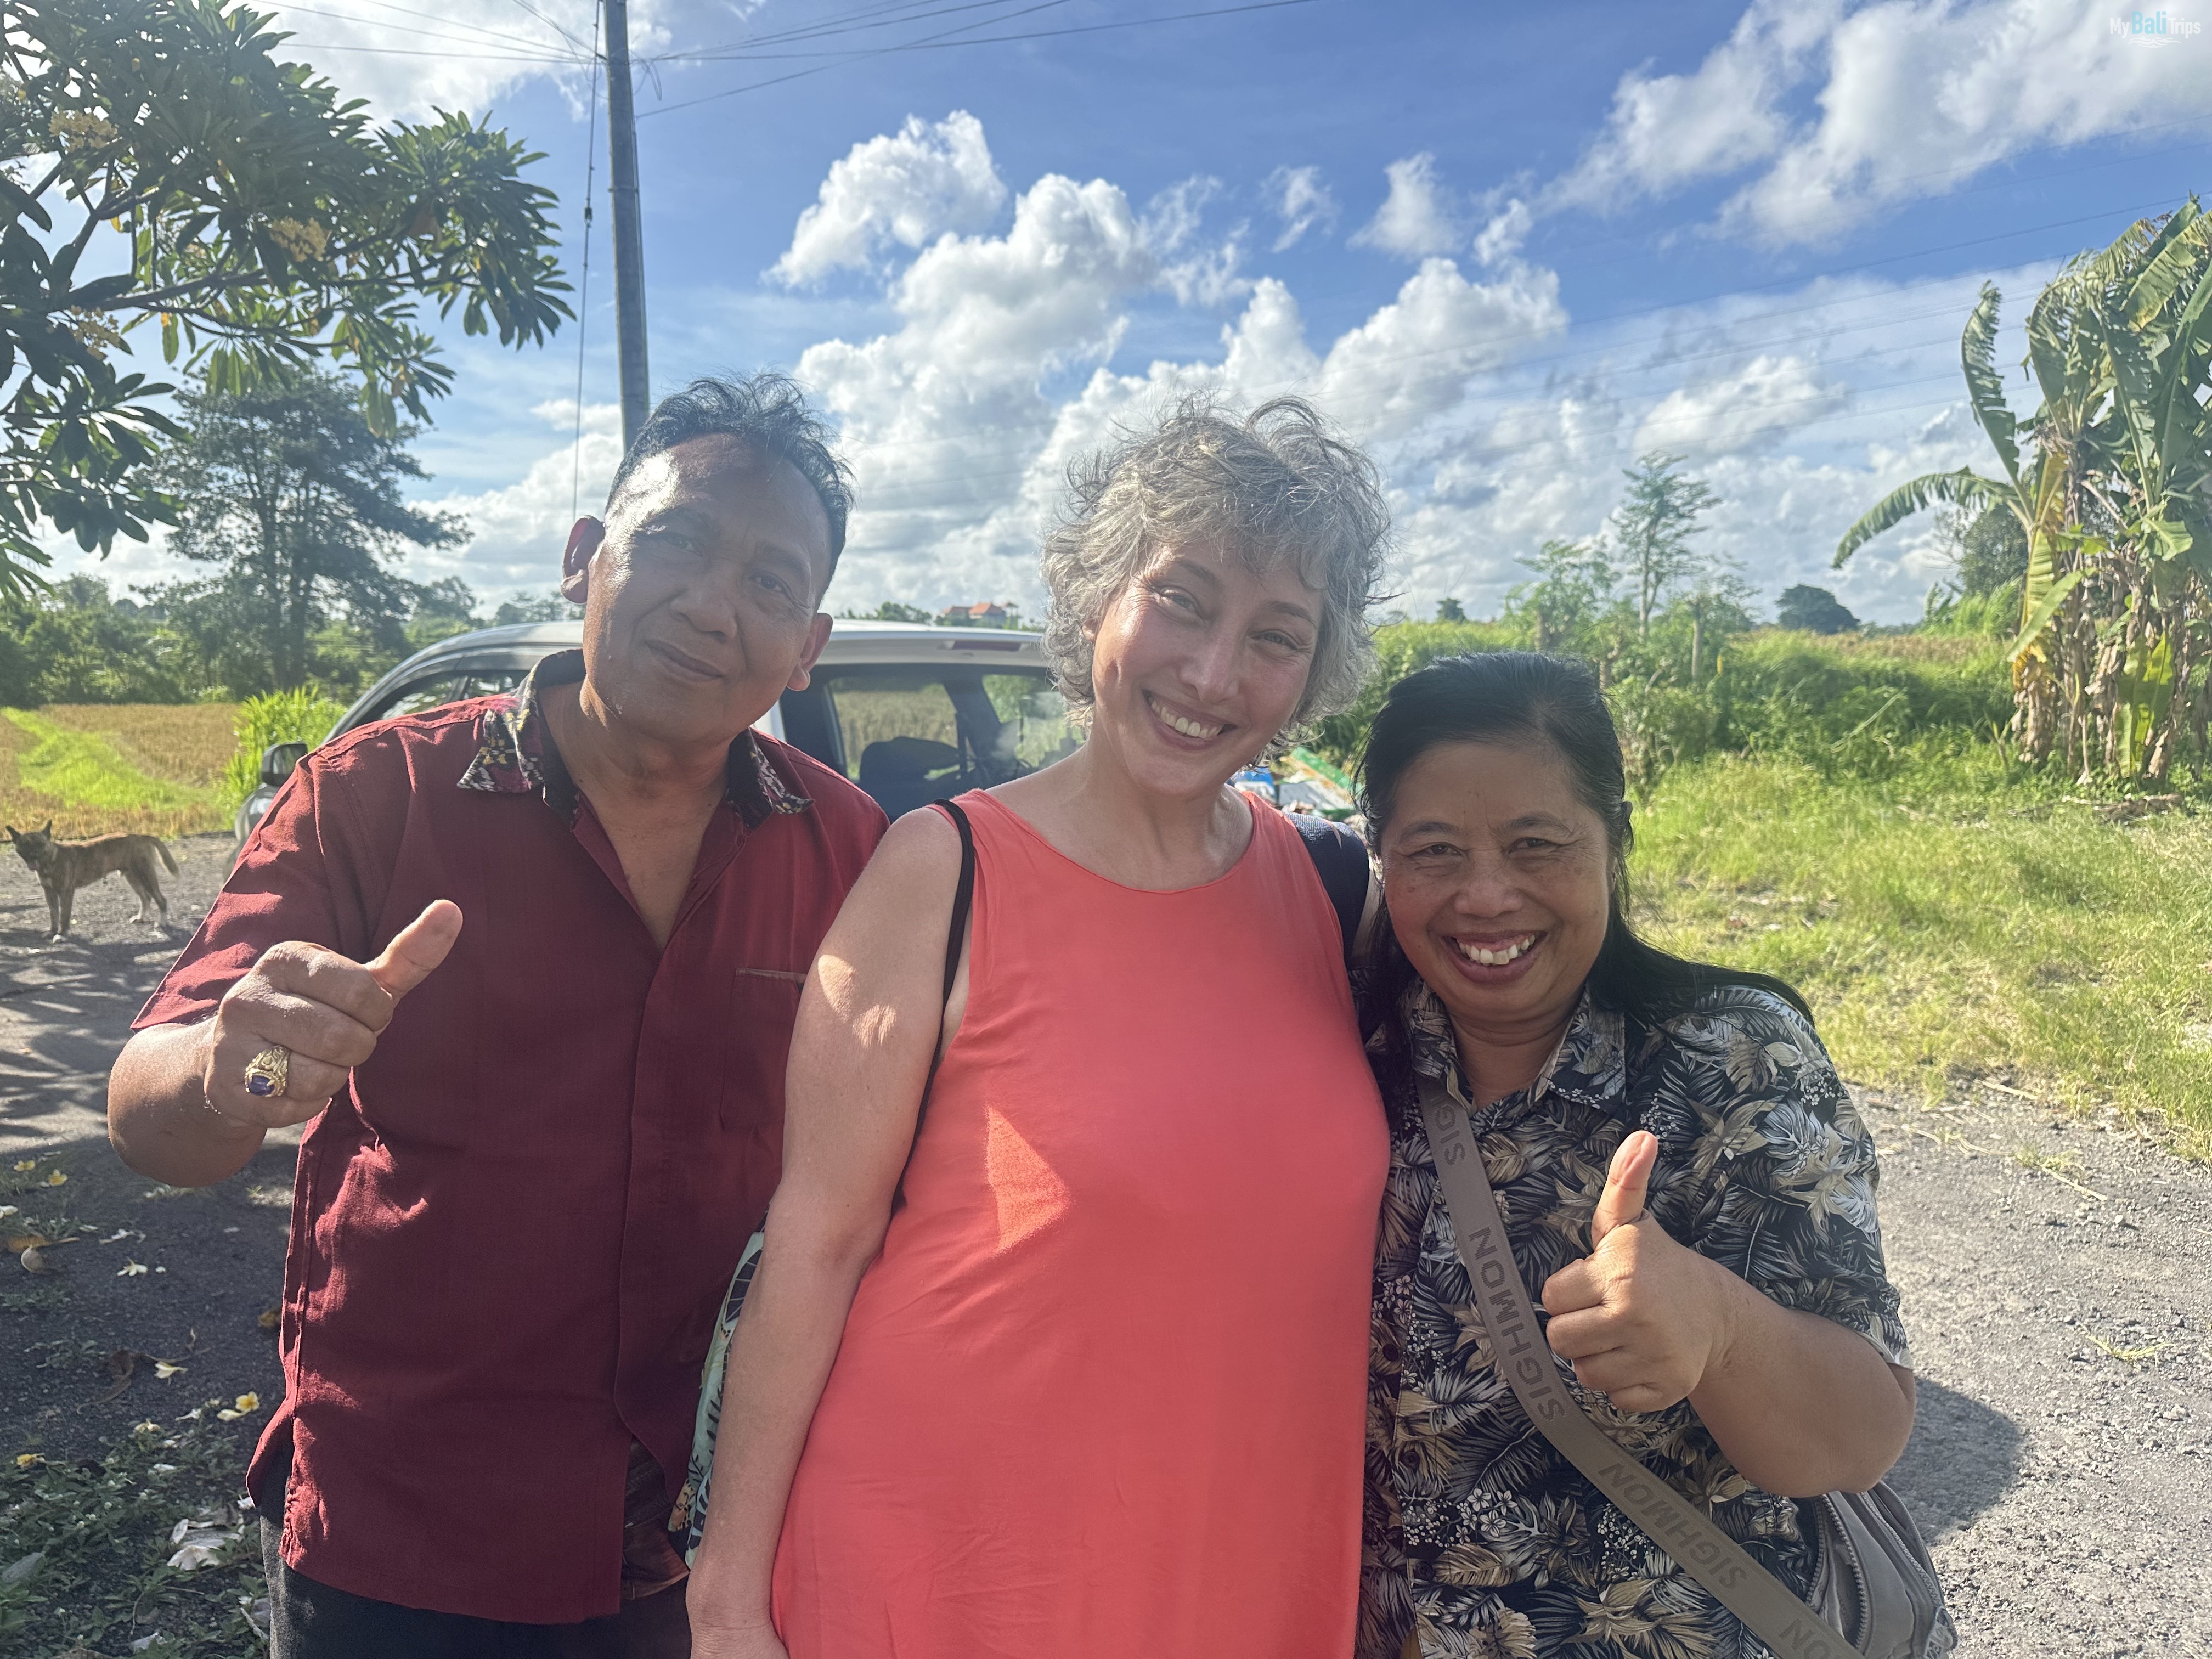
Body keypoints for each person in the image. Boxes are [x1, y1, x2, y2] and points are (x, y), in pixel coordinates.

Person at [106, 375, 889, 1655]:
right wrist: (228, 1067)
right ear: (585, 557)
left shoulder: (856, 855)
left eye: (770, 581)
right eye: (679, 540)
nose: (713, 604)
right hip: (403, 1536)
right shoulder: (375, 798)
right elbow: (149, 1120)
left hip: (708, 1549)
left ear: (808, 644)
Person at [686, 397, 1393, 1659]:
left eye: (1274, 635)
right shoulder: (941, 872)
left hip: (1236, 1569)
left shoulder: (1334, 894)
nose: (1212, 673)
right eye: (1181, 601)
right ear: (1098, 597)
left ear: (1312, 670)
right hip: (946, 1578)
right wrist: (728, 1600)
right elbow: (814, 1244)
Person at [1352, 651, 1918, 1659]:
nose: (1486, 896)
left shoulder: (1733, 1059)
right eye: (1433, 850)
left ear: (1613, 840)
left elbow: (1858, 1437)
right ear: (1381, 858)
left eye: (1536, 844)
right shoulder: (1350, 1059)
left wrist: (1719, 1328)